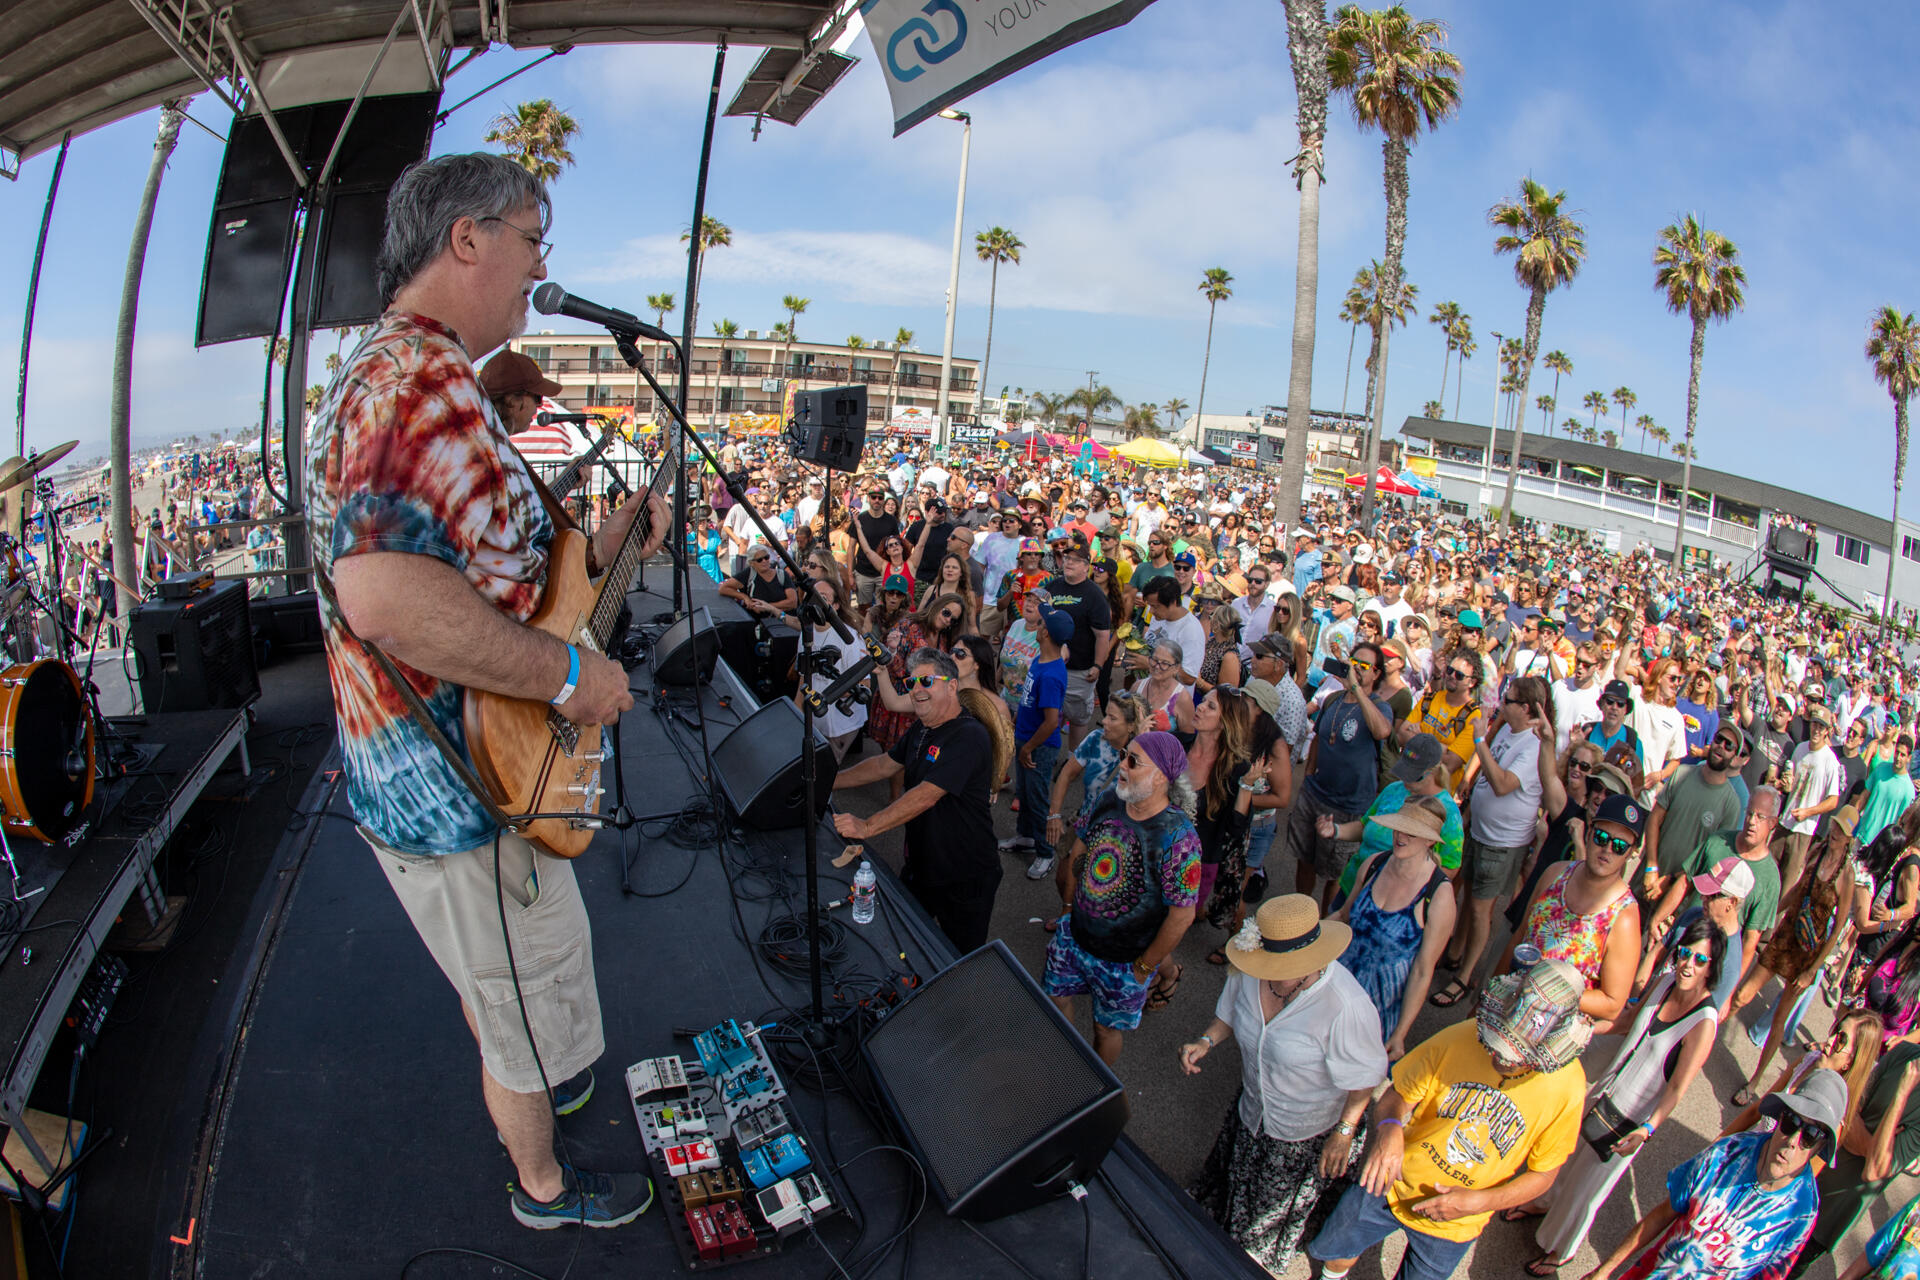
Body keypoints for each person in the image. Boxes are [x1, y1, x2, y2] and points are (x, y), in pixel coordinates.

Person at [315, 154, 669, 1228]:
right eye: (531, 238)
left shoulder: (426, 376)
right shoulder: (414, 384)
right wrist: (572, 674)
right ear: (466, 238)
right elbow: (379, 593)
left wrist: (607, 546)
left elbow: (504, 576)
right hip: (465, 788)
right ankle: (544, 1184)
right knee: (518, 1007)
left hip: (468, 765)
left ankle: (540, 1077)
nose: (540, 266)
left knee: (507, 984)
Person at [1306, 958, 1590, 1280]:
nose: (1497, 1055)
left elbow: (1543, 1175)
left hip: (1456, 1223)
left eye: (1514, 1056)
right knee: (1337, 1252)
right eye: (1497, 1043)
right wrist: (1388, 1131)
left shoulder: (1567, 1088)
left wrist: (1478, 1202)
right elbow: (1397, 1096)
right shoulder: (1463, 1036)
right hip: (1388, 1183)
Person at [1182, 895, 1389, 1275]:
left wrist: (1343, 1133)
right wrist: (1206, 1041)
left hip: (1305, 1130)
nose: (1264, 969)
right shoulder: (1250, 970)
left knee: (1259, 1229)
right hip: (1254, 1109)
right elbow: (1229, 1015)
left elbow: (1364, 1080)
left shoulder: (1345, 1005)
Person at [1518, 918, 1723, 1275]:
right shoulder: (1665, 982)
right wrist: (1580, 1028)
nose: (1688, 964)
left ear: (1711, 969)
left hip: (1631, 1118)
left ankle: (1559, 1250)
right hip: (1606, 1090)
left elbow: (1677, 1087)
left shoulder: (1703, 1023)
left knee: (1588, 1188)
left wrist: (1648, 1129)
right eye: (1685, 953)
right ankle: (1542, 1202)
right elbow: (1628, 1021)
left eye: (1700, 960)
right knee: (1568, 1153)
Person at [1580, 1071, 1838, 1280]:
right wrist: (1604, 1271)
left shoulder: (1801, 1212)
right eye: (1792, 1122)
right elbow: (1664, 1214)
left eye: (1811, 1135)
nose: (1793, 1140)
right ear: (1781, 1116)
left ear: (1820, 1147)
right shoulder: (1728, 1153)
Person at [1046, 731, 1202, 1063]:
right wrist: (1067, 909)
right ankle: (1070, 1060)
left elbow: (1182, 915)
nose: (1123, 765)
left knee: (1105, 1030)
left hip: (1125, 963)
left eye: (1134, 761)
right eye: (1123, 755)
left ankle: (1095, 1086)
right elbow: (1080, 853)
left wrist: (1145, 967)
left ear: (1161, 776)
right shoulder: (1108, 801)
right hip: (1073, 937)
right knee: (1056, 998)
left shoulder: (1179, 837)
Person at [832, 648, 999, 951]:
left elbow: (926, 795)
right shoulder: (923, 727)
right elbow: (884, 764)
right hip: (922, 865)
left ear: (951, 686)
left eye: (926, 681)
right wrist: (828, 782)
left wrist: (867, 826)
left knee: (959, 958)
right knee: (904, 939)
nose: (916, 690)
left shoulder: (968, 736)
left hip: (964, 874)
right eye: (911, 684)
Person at [1730, 804, 1865, 1106]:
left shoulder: (1847, 876)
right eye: (1834, 827)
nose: (1834, 834)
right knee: (1743, 993)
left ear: (1849, 839)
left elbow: (1838, 928)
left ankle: (1754, 1083)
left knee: (1779, 1020)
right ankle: (1703, 1040)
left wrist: (1812, 970)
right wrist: (1768, 916)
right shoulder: (1817, 852)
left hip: (1808, 952)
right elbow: (1795, 892)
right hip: (1787, 935)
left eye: (1841, 831)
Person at [1434, 675, 1549, 1006]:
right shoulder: (1508, 732)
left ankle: (1465, 976)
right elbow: (1485, 775)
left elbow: (1502, 783)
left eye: (1508, 700)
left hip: (1502, 842)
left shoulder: (1533, 745)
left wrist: (1481, 738)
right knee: (1468, 896)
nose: (1501, 704)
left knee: (1482, 909)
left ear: (1525, 708)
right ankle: (1455, 952)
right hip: (1479, 830)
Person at [1330, 799, 1457, 1059]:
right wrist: (1298, 939)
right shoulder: (1374, 864)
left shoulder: (1439, 895)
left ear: (1430, 840)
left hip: (1375, 1011)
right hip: (1334, 991)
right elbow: (1343, 916)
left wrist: (1400, 1033)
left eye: (1412, 832)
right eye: (1399, 828)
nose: (1400, 837)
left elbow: (1423, 970)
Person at [1287, 640, 1395, 904]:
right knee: (1306, 859)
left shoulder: (1380, 707)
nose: (1356, 668)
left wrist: (1356, 688)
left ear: (1376, 673)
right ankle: (1302, 913)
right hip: (1315, 795)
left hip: (1350, 805)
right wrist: (1309, 774)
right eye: (1353, 662)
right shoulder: (1333, 699)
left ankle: (1326, 925)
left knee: (1337, 873)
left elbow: (1382, 731)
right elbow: (1319, 739)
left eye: (1364, 665)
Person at [1639, 725, 1746, 909]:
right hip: (1648, 877)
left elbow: (1713, 861)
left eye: (1729, 746)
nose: (1721, 746)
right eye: (1719, 739)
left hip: (1678, 896)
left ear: (1735, 756)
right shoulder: (1681, 774)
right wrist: (1651, 866)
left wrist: (1671, 880)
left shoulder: (1731, 804)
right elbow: (1655, 819)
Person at [1635, 853, 1754, 1011]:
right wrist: (1637, 1002)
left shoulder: (1730, 961)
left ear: (1731, 902)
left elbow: (1702, 1017)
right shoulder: (1693, 914)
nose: (1703, 897)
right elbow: (1654, 955)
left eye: (1711, 895)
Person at [1003, 605, 1071, 879]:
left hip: (1039, 747)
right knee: (1026, 792)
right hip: (1026, 739)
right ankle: (1025, 837)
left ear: (1045, 633)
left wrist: (1029, 748)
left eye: (1041, 623)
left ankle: (1045, 853)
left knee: (1038, 797)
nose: (1037, 625)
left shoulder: (1052, 674)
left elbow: (1052, 722)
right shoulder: (1039, 660)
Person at [1041, 541, 1113, 749]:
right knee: (1050, 711)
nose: (1068, 562)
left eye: (1075, 560)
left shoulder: (1095, 595)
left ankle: (1074, 758)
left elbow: (1102, 636)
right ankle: (1048, 752)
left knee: (1078, 717)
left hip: (1079, 669)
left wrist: (1098, 666)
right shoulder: (1052, 586)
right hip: (1051, 664)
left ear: (1086, 566)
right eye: (1067, 558)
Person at [1778, 707, 1844, 896]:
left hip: (1803, 830)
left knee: (1787, 885)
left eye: (1821, 727)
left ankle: (1772, 925)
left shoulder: (1830, 761)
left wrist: (1807, 812)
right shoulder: (1800, 748)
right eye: (1815, 724)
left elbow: (1833, 801)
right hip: (1784, 822)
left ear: (1827, 731)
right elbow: (1791, 781)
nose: (1817, 730)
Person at [717, 543, 797, 619]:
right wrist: (744, 597)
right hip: (758, 623)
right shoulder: (748, 574)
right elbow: (723, 589)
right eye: (759, 560)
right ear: (752, 563)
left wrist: (766, 607)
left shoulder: (782, 575)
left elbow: (793, 602)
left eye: (766, 557)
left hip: (783, 622)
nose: (764, 561)